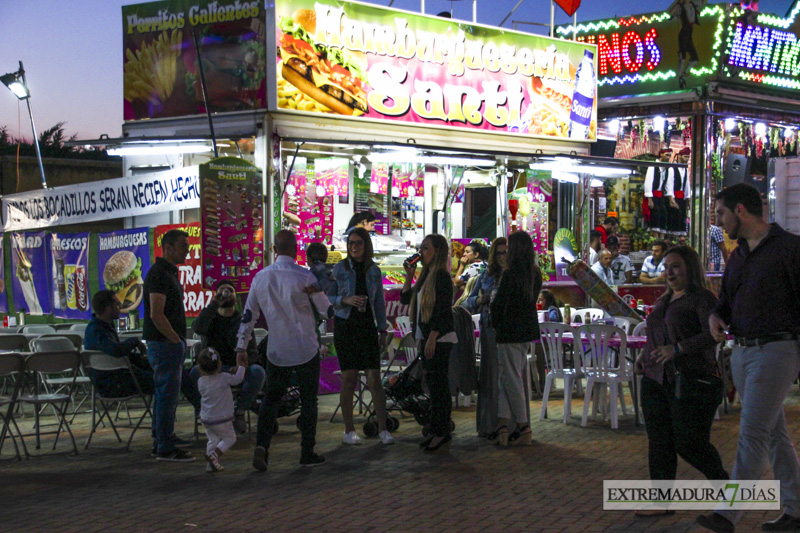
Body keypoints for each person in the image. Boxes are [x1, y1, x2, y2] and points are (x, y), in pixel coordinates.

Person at [697, 184, 800, 533]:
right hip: (741, 350)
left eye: (722, 213)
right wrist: (715, 317)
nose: (720, 221)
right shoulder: (739, 254)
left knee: (752, 432)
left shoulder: (789, 248)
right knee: (773, 435)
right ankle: (797, 509)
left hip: (776, 349)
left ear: (741, 210)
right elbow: (724, 301)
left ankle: (729, 514)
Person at [633, 246, 728, 517]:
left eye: (675, 266)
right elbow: (657, 334)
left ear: (689, 268)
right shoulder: (664, 300)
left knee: (689, 441)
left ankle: (726, 486)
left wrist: (678, 349)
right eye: (666, 267)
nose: (669, 272)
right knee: (660, 442)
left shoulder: (703, 299)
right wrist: (644, 355)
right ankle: (661, 500)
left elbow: (714, 336)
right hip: (655, 380)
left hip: (691, 380)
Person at [237, 230, 331, 471]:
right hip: (306, 348)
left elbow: (249, 315)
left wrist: (241, 345)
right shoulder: (306, 276)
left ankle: (262, 446)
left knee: (271, 400)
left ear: (273, 249)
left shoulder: (260, 277)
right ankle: (307, 451)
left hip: (277, 350)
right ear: (297, 249)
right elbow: (325, 310)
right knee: (309, 401)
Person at [85, 290, 199, 429]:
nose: (120, 306)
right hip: (114, 383)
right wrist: (134, 342)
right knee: (169, 381)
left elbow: (122, 356)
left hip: (119, 378)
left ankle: (201, 410)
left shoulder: (100, 327)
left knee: (174, 373)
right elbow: (116, 351)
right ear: (108, 308)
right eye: (117, 303)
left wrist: (147, 361)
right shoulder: (97, 331)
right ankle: (198, 413)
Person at [328, 227, 393, 445]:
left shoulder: (373, 271)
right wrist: (344, 300)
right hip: (346, 326)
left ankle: (383, 428)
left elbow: (379, 303)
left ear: (366, 245)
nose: (354, 247)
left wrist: (383, 329)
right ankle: (349, 430)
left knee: (374, 378)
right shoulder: (339, 268)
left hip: (367, 326)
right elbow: (327, 297)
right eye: (351, 243)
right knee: (349, 378)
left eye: (358, 243)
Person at [144, 229, 195, 463]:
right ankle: (164, 447)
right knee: (167, 395)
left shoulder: (168, 273)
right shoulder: (159, 274)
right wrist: (175, 339)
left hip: (167, 342)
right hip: (164, 343)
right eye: (183, 246)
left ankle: (163, 439)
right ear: (168, 247)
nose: (188, 250)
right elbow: (156, 313)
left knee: (165, 394)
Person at [401, 234, 455, 453]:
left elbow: (443, 309)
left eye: (426, 248)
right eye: (421, 248)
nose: (421, 252)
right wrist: (409, 276)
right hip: (426, 336)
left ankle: (442, 432)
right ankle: (435, 428)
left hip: (439, 337)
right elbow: (405, 299)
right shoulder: (426, 275)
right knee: (432, 385)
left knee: (439, 385)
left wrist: (433, 336)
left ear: (437, 251)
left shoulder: (442, 276)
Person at [190, 281, 265, 435]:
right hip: (213, 369)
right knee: (192, 375)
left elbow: (253, 352)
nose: (225, 293)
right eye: (222, 290)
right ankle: (208, 411)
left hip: (236, 368)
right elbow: (197, 328)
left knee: (258, 372)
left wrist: (242, 365)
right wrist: (214, 304)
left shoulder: (242, 321)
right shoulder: (210, 318)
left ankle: (239, 411)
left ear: (235, 298)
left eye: (230, 290)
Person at [490, 231, 542, 446]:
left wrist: (494, 320)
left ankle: (523, 426)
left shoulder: (511, 275)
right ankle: (503, 426)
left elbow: (499, 304)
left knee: (511, 379)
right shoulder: (534, 274)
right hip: (525, 331)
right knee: (508, 378)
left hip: (508, 331)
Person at [464, 237, 507, 437]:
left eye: (505, 252)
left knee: (506, 379)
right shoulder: (485, 276)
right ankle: (489, 425)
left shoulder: (515, 275)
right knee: (490, 378)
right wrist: (481, 299)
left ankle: (507, 425)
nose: (502, 257)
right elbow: (467, 302)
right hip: (489, 330)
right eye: (498, 253)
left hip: (508, 332)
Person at [196, 348, 245, 473]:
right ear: (219, 364)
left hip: (206, 418)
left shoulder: (200, 381)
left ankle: (210, 465)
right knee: (230, 439)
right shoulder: (223, 378)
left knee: (213, 440)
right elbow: (238, 379)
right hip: (221, 418)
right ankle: (214, 456)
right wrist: (241, 366)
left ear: (200, 367)